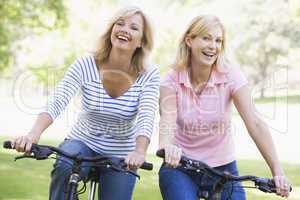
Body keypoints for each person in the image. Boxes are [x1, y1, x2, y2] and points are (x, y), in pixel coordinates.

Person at [12, 7, 159, 200]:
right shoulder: (86, 64)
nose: (124, 29)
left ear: (141, 41)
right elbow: (58, 100)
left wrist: (139, 152)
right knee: (64, 166)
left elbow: (147, 115)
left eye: (134, 27)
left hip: (121, 152)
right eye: (120, 23)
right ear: (111, 30)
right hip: (82, 141)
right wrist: (33, 134)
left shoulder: (149, 74)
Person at [158, 15, 290, 200]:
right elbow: (167, 120)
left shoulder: (230, 75)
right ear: (189, 40)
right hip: (180, 167)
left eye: (218, 40)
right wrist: (166, 147)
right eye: (206, 38)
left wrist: (277, 171)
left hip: (223, 169)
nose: (213, 46)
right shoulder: (171, 79)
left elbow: (255, 123)